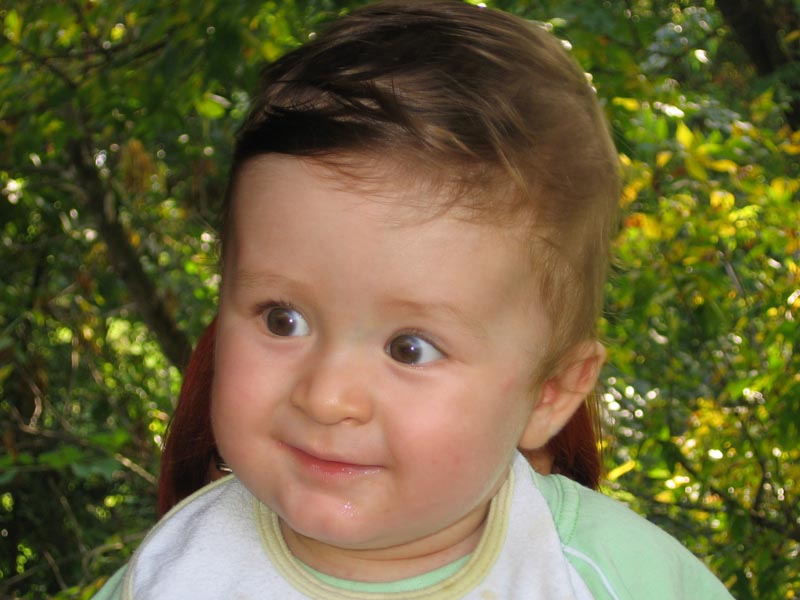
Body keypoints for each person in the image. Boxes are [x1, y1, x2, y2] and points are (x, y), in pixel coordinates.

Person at [93, 1, 734, 598]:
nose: (326, 397)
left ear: (549, 393)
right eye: (283, 320)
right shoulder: (171, 573)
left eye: (409, 348)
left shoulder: (609, 578)